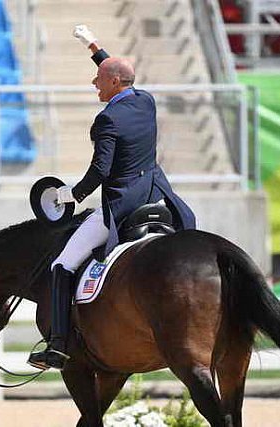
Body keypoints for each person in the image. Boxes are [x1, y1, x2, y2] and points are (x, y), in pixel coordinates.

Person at [27, 25, 196, 371]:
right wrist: (92, 45)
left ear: (115, 84)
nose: (94, 84)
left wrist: (71, 195)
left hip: (122, 204)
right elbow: (116, 68)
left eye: (99, 80)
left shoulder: (107, 120)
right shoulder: (145, 100)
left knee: (62, 264)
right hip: (156, 194)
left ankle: (57, 344)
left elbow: (100, 171)